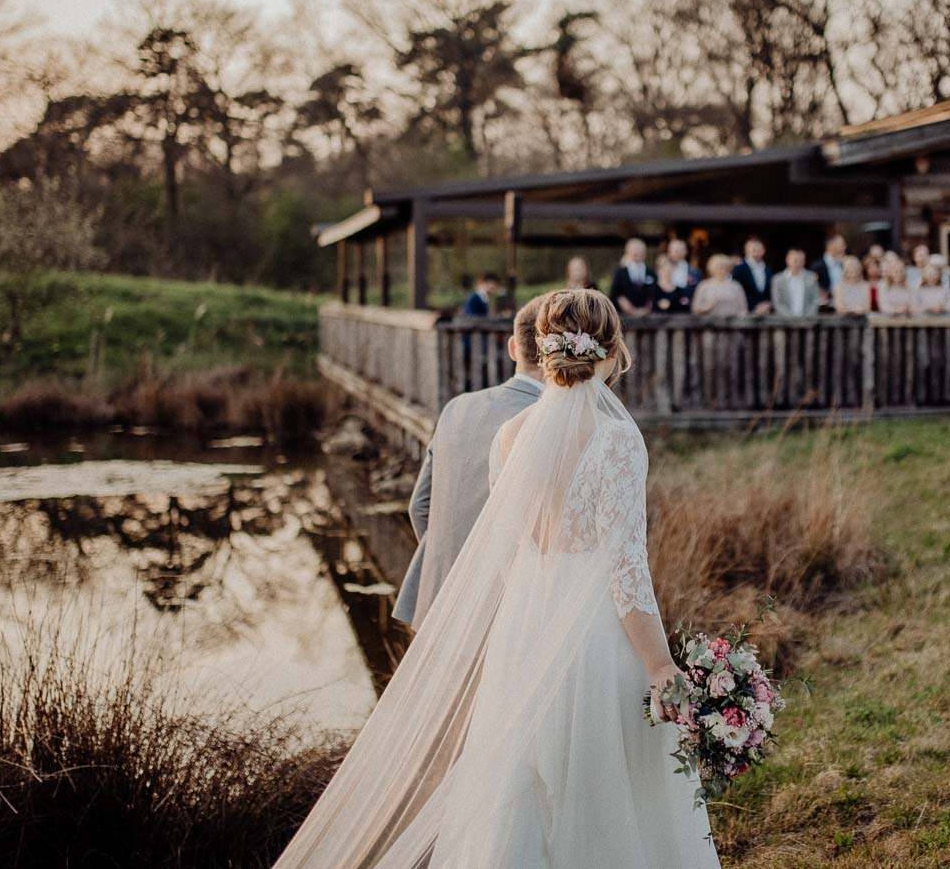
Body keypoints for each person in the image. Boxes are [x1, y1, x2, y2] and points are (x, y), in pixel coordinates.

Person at [275, 289, 720, 869]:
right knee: (607, 788)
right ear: (611, 352)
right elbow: (626, 567)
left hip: (523, 631)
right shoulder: (617, 438)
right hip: (593, 639)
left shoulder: (509, 436)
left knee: (522, 789)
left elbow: (510, 555)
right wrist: (661, 666)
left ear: (543, 349)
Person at [394, 297, 548, 629]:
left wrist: (451, 566)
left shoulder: (457, 408)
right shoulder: (547, 423)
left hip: (434, 602)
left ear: (511, 349)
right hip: (503, 615)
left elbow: (420, 507)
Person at [609, 238, 657, 316]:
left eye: (641, 250)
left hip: (648, 317)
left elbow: (655, 293)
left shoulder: (651, 272)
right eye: (635, 249)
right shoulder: (620, 272)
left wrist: (647, 308)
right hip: (625, 317)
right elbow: (614, 293)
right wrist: (628, 308)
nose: (638, 252)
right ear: (628, 252)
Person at [731, 235, 775, 315]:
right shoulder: (738, 269)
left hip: (766, 313)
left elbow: (771, 291)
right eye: (752, 247)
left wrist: (767, 305)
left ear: (763, 250)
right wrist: (755, 307)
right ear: (746, 249)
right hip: (745, 313)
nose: (755, 249)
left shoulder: (768, 269)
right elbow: (736, 292)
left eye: (758, 247)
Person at [771, 247, 820, 316]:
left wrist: (806, 318)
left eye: (801, 261)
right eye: (795, 260)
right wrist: (791, 319)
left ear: (804, 261)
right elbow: (777, 303)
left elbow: (815, 301)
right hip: (784, 322)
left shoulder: (812, 277)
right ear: (787, 260)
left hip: (808, 322)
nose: (798, 264)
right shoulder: (778, 280)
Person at [813, 233, 848, 308]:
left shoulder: (845, 264)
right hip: (825, 309)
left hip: (846, 306)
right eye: (842, 244)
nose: (844, 247)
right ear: (830, 245)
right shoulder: (817, 267)